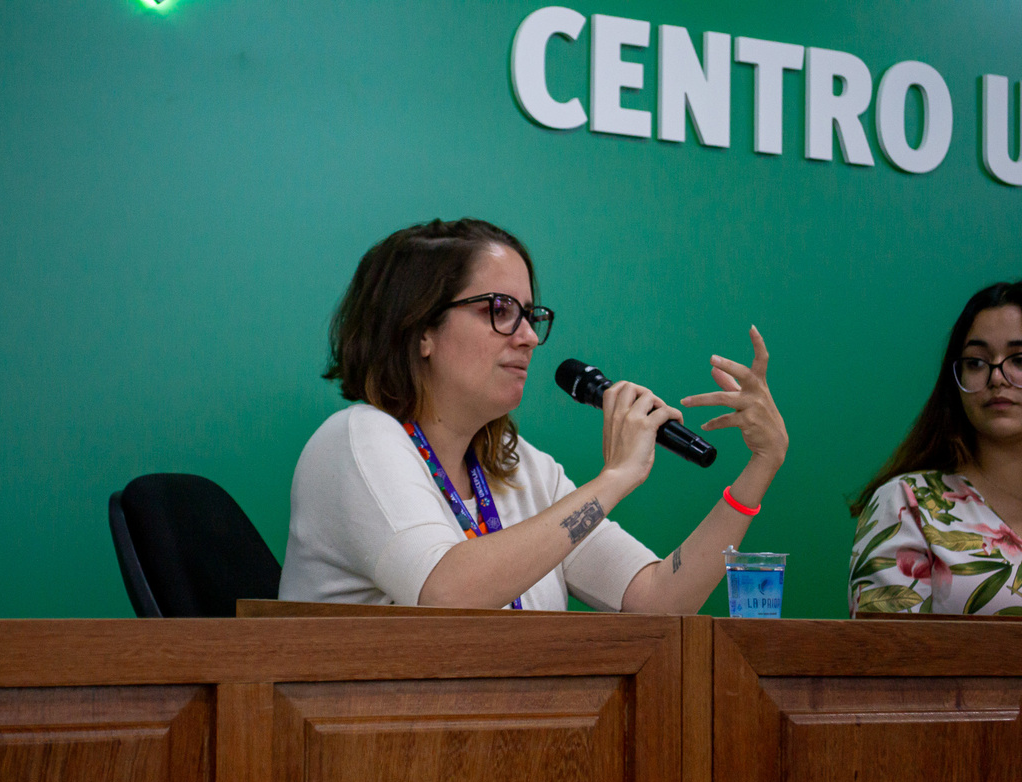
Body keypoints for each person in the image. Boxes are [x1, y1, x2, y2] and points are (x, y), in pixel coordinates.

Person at [278, 219, 788, 611]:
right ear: (421, 330)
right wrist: (613, 480)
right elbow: (446, 592)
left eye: (528, 314)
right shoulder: (358, 439)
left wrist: (760, 467)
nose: (525, 336)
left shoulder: (520, 467)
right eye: (498, 310)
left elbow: (657, 600)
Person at [849, 281, 1022, 616]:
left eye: (1019, 358)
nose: (997, 377)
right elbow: (883, 658)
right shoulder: (908, 503)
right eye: (976, 362)